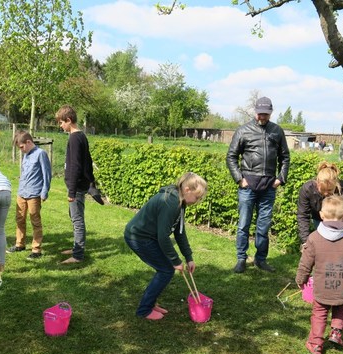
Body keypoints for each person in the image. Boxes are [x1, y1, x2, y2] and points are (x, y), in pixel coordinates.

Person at [295, 195, 343, 354]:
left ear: (321, 215)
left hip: (322, 287)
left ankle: (315, 343)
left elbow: (305, 262)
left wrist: (301, 278)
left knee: (319, 313)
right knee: (340, 308)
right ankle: (336, 333)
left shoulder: (314, 238)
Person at [124, 172, 207, 320]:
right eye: (197, 197)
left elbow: (179, 232)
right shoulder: (171, 203)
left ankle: (150, 303)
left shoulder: (180, 202)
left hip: (149, 237)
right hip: (139, 237)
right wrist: (175, 261)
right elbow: (163, 237)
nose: (198, 200)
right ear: (187, 189)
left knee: (165, 269)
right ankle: (144, 310)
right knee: (166, 270)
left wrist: (188, 257)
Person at [226, 96, 290, 273]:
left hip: (269, 187)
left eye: (266, 114)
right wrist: (240, 179)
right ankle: (241, 259)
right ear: (255, 111)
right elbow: (231, 156)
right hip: (248, 186)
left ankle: (261, 259)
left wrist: (280, 179)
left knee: (263, 226)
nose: (263, 117)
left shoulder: (277, 131)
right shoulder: (243, 131)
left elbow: (285, 157)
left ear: (270, 112)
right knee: (243, 225)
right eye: (260, 113)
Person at [56, 105, 97, 264]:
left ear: (68, 120)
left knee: (77, 220)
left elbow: (76, 166)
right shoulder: (81, 136)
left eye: (61, 123)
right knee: (74, 217)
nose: (61, 126)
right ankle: (76, 247)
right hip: (80, 185)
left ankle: (78, 255)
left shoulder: (74, 138)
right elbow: (87, 161)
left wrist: (71, 192)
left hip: (77, 187)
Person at [7, 131, 51, 260]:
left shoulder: (41, 154)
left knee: (35, 221)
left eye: (21, 147)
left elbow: (47, 174)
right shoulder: (26, 155)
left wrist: (44, 191)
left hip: (34, 194)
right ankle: (19, 244)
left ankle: (36, 249)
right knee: (19, 219)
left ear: (28, 142)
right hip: (22, 193)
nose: (21, 150)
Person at [297, 161, 343, 246]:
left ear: (336, 184)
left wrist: (340, 238)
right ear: (317, 183)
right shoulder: (308, 189)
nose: (325, 194)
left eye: (329, 191)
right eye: (322, 190)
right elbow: (302, 215)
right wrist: (305, 242)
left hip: (340, 222)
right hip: (318, 220)